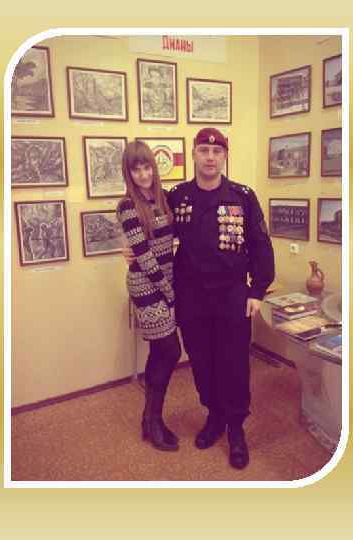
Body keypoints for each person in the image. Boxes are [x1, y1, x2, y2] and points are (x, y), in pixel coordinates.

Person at [124, 128, 275, 469]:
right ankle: (214, 415)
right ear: (193, 154)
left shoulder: (242, 196)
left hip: (232, 295)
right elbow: (151, 227)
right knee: (202, 363)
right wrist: (131, 249)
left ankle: (236, 428)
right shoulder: (177, 197)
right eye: (204, 150)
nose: (210, 157)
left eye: (216, 151)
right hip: (191, 297)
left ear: (224, 156)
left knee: (234, 364)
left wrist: (258, 290)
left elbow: (261, 245)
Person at [117, 140, 181, 452]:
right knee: (169, 350)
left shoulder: (164, 198)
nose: (143, 174)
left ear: (154, 168)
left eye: (146, 167)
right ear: (128, 173)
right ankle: (152, 420)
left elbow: (178, 237)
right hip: (146, 286)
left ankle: (151, 419)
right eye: (136, 170)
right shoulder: (127, 206)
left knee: (160, 351)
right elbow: (143, 256)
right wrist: (169, 294)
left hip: (166, 283)